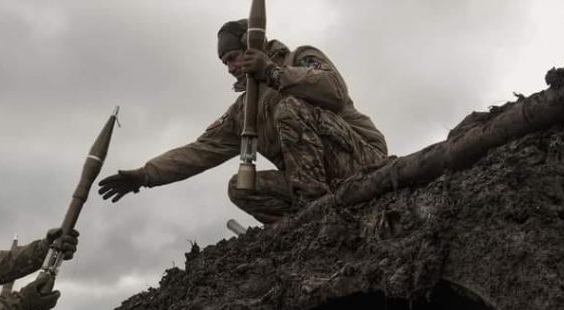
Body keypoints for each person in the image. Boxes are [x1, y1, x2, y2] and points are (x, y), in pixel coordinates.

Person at [98, 19, 388, 224]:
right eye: (225, 63)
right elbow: (201, 150)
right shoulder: (243, 111)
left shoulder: (300, 58)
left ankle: (318, 212)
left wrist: (272, 73)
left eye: (234, 57)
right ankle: (300, 223)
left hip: (362, 159)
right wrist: (146, 175)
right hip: (313, 182)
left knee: (288, 108)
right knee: (240, 187)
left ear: (253, 47)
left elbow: (334, 91)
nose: (230, 68)